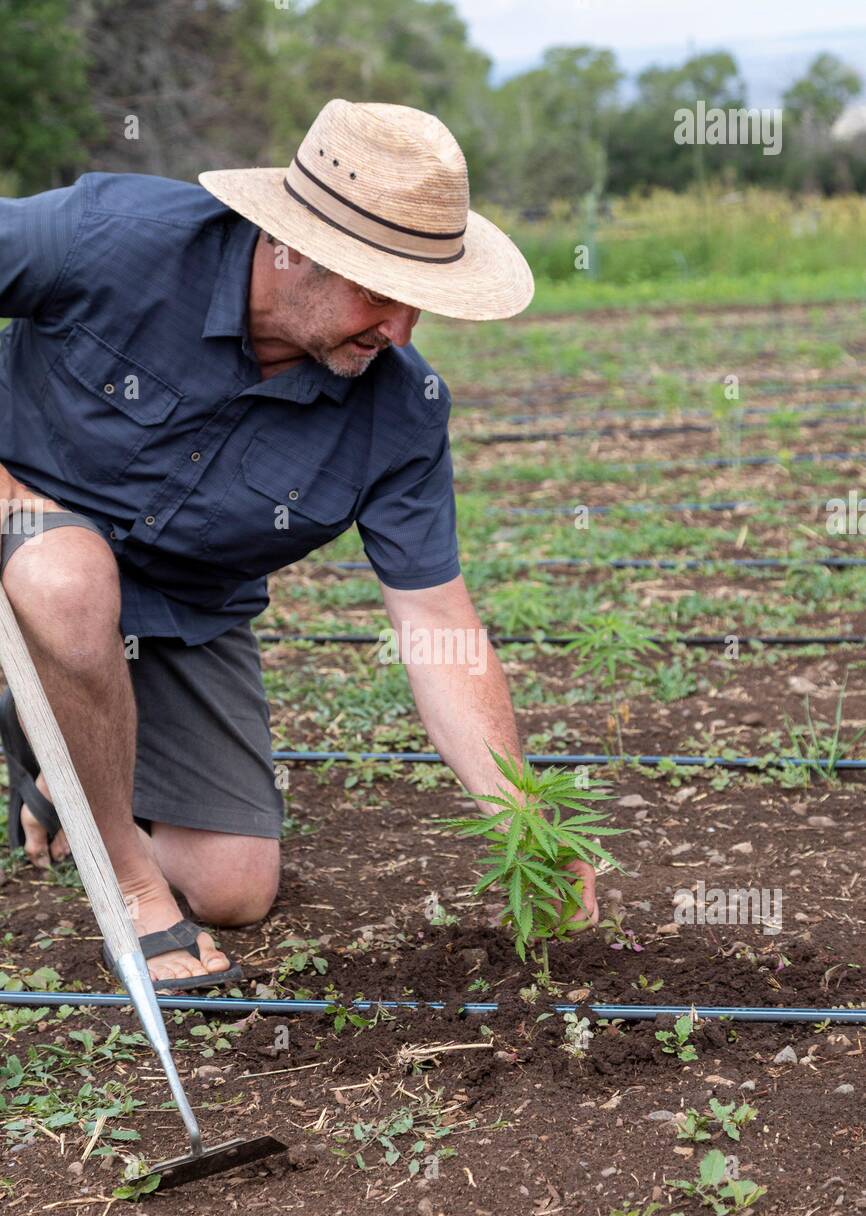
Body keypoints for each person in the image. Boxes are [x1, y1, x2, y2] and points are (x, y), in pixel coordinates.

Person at [0, 98, 597, 987]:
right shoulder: (111, 235)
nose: (400, 331)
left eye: (419, 303)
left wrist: (525, 821)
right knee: (65, 574)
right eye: (380, 293)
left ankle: (54, 745)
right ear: (298, 246)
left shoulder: (401, 412)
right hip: (23, 537)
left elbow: (436, 621)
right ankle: (127, 884)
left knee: (235, 884)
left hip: (174, 611)